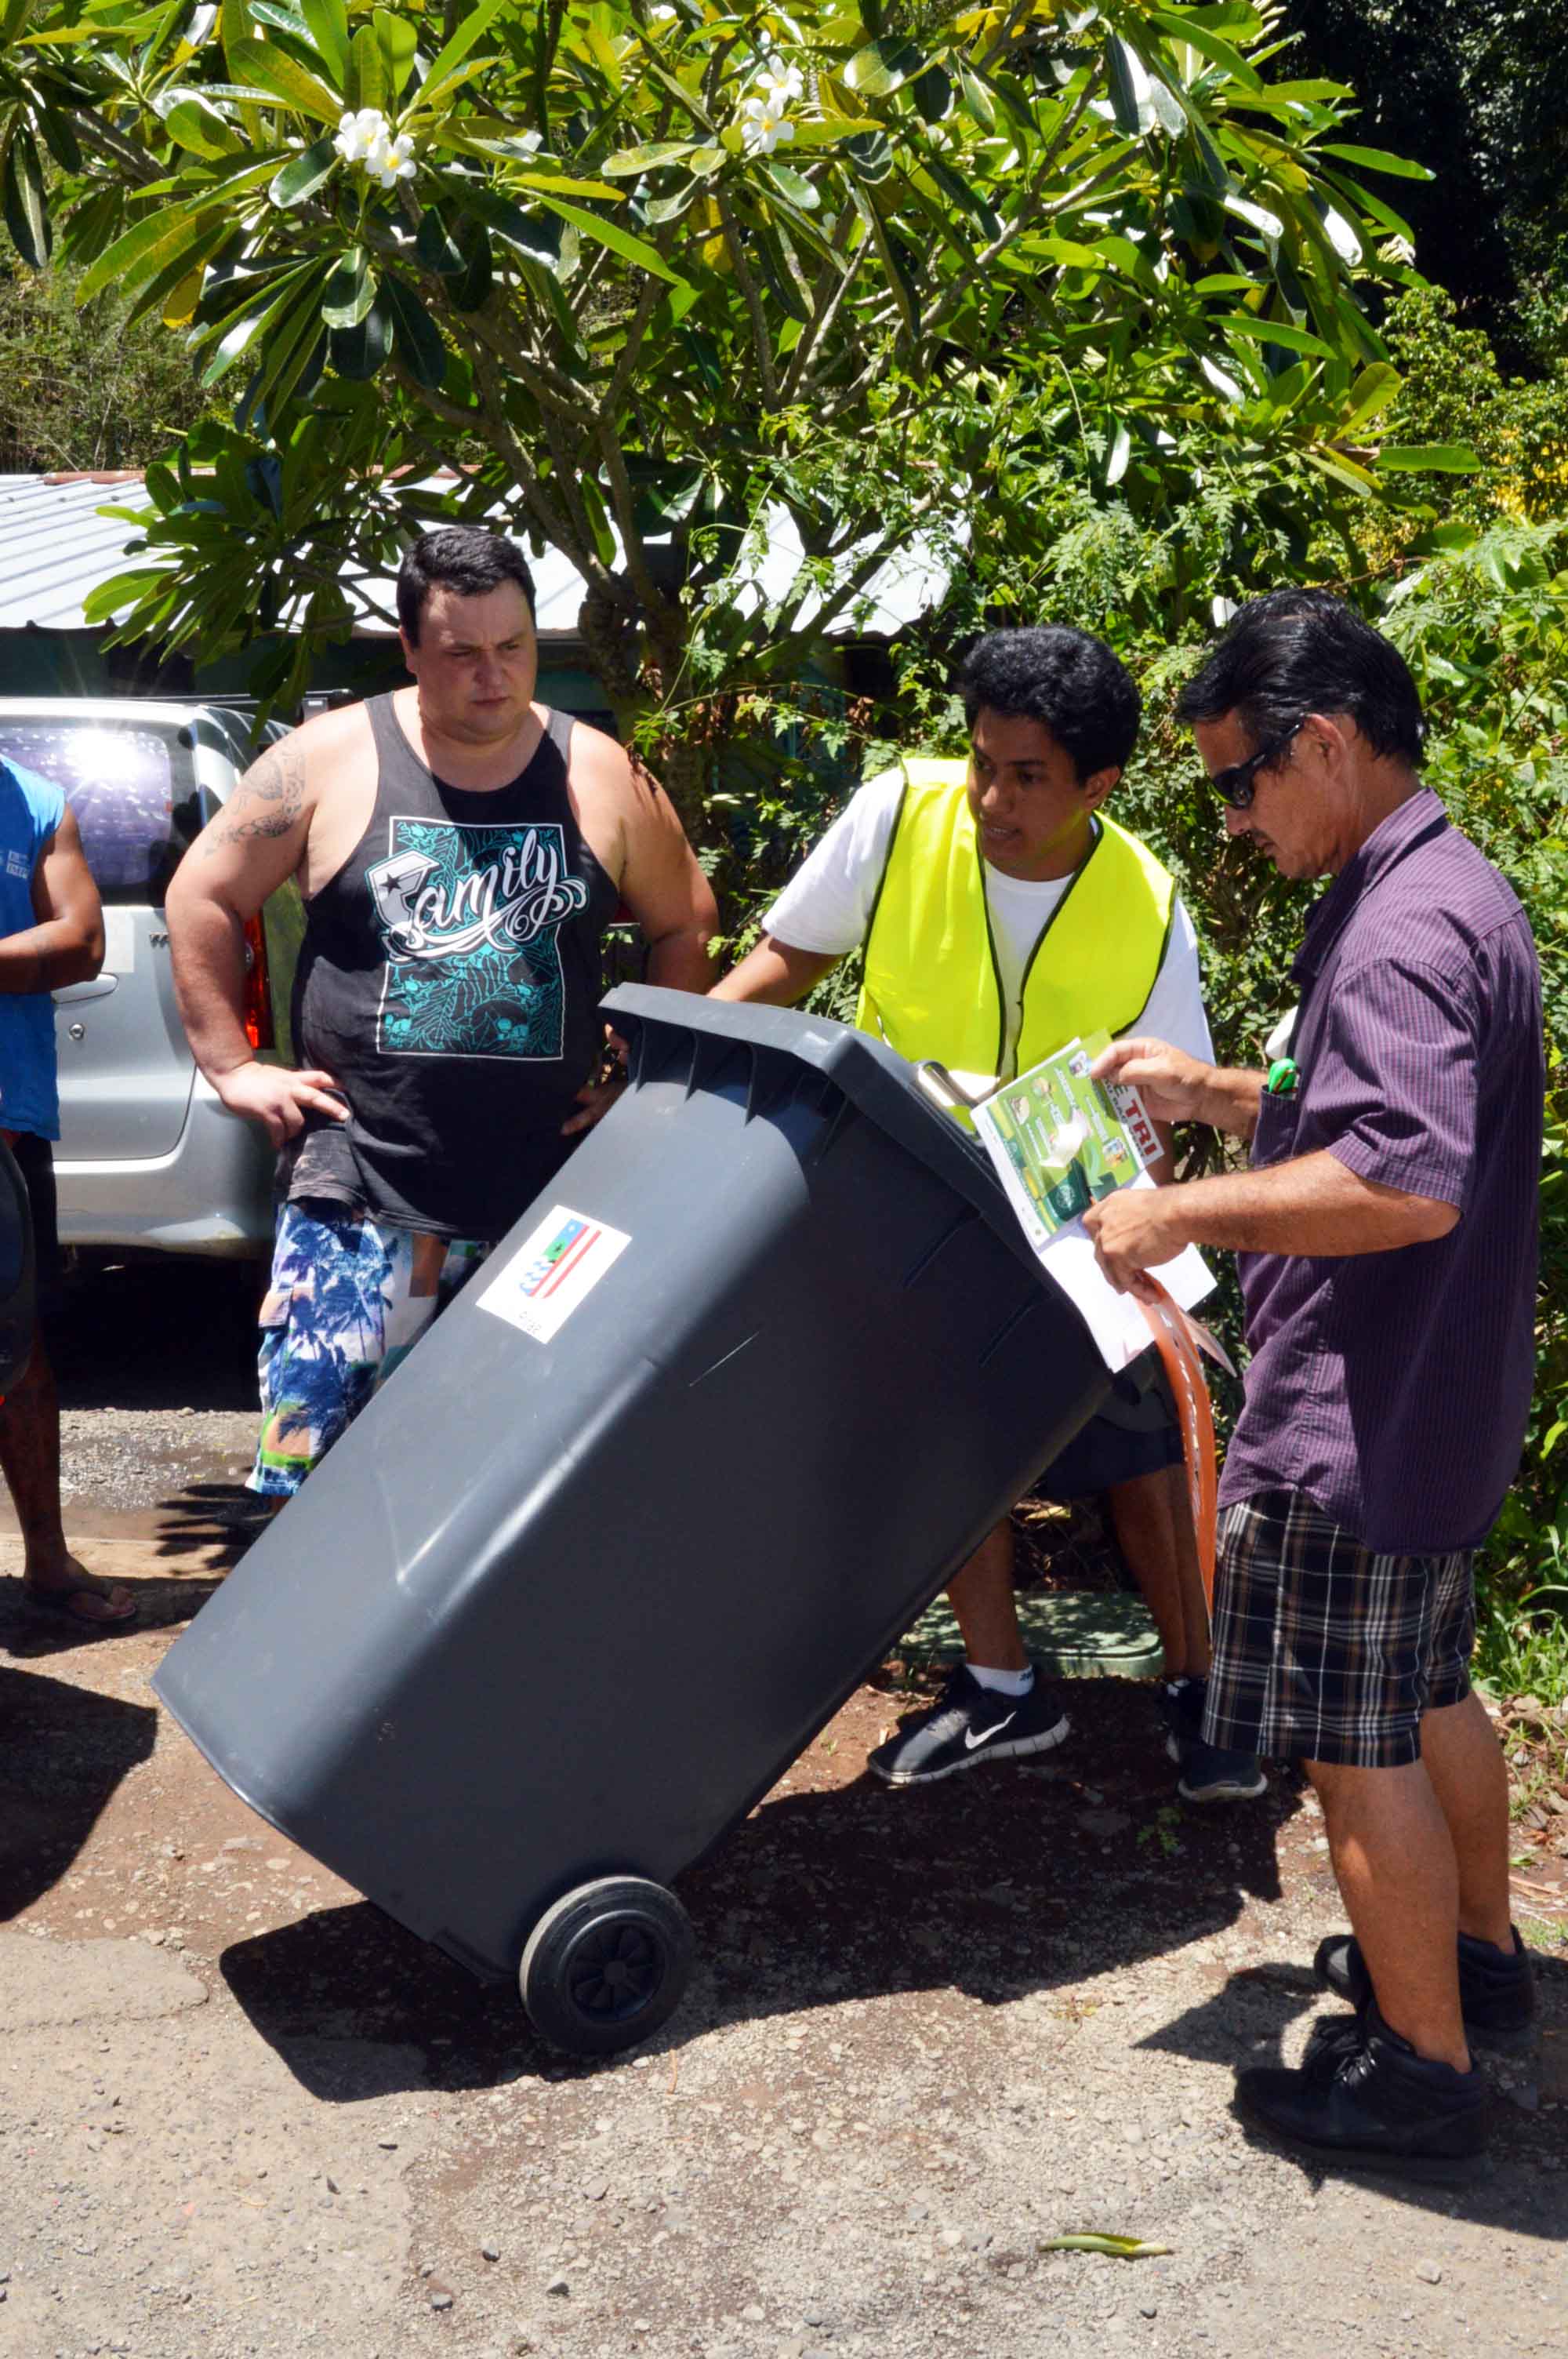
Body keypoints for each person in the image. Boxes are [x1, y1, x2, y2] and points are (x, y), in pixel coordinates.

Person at [1087, 589, 1541, 2181]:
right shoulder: (1443, 885)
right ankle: (1475, 1959)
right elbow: (1373, 1099)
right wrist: (1219, 1092)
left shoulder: (1400, 927)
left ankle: (1420, 2071)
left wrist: (1178, 1212)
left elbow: (1402, 1177)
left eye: (1240, 780)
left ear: (1327, 743)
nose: (1231, 817)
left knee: (1358, 1747)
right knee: (1427, 1689)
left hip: (1361, 1412)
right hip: (1438, 1396)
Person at [713, 625, 1261, 1800]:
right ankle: (1002, 1687)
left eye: (1026, 777)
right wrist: (692, 1069)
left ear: (1097, 785)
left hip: (1077, 1222)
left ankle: (1202, 1690)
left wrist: (1138, 1206)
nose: (990, 799)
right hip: (908, 1198)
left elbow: (1169, 1113)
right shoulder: (900, 814)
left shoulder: (1147, 900)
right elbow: (785, 961)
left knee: (1145, 1446)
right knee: (947, 1446)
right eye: (980, 762)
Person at [165, 525, 717, 1500]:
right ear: (410, 649)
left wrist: (642, 1071)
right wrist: (231, 1063)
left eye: (513, 647)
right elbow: (202, 895)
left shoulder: (599, 773)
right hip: (357, 1184)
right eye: (462, 652)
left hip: (545, 1201)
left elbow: (685, 922)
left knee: (513, 1495)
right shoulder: (326, 761)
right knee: (317, 1485)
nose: (492, 677)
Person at [0, 757, 129, 1626]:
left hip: (9, 1119)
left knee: (16, 1348)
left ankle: (47, 1562)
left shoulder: (38, 802)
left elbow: (82, 941)